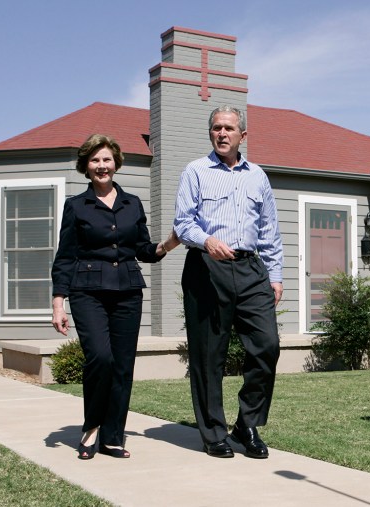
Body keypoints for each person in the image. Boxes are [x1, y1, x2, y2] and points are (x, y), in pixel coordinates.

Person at [51, 133, 180, 460]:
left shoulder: (132, 203)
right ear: (86, 166)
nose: (101, 166)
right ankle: (91, 427)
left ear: (115, 163)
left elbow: (142, 249)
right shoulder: (76, 206)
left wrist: (167, 244)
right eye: (95, 160)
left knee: (122, 366)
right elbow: (65, 256)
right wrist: (58, 302)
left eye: (106, 159)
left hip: (127, 292)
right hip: (87, 292)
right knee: (101, 358)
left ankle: (112, 437)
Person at [174, 105, 283, 459]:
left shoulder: (258, 177)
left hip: (252, 269)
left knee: (267, 345)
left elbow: (269, 231)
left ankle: (246, 424)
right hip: (207, 267)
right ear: (211, 133)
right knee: (209, 356)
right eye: (217, 128)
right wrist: (206, 240)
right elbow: (183, 223)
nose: (222, 133)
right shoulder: (196, 171)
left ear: (242, 136)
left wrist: (275, 276)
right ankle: (213, 432)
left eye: (229, 128)